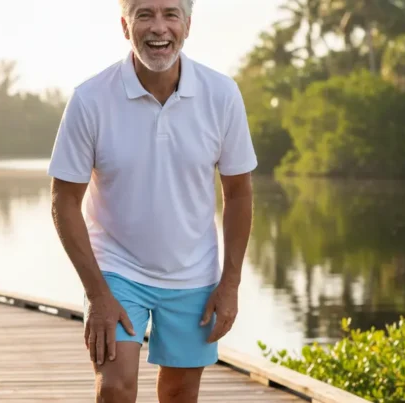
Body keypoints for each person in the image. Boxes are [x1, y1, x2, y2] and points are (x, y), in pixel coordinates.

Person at [47, 0, 257, 401]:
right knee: (116, 388)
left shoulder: (222, 95)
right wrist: (96, 294)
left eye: (170, 14)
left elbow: (239, 192)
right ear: (125, 26)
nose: (158, 27)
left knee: (180, 393)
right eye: (144, 14)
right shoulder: (90, 99)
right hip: (117, 269)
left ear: (188, 25)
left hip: (194, 273)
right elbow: (64, 199)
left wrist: (230, 283)